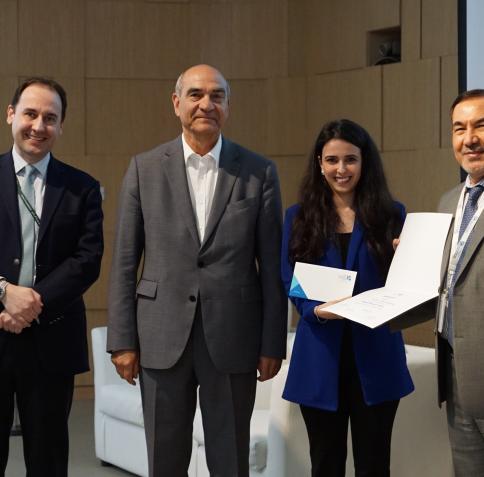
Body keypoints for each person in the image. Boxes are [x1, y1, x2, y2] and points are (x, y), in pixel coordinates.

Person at [107, 64, 287, 477]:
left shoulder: (259, 172)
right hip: (160, 338)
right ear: (176, 103)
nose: (206, 104)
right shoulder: (143, 168)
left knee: (230, 460)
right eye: (195, 95)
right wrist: (122, 340)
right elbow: (124, 262)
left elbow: (272, 265)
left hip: (234, 338)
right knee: (165, 459)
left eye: (217, 96)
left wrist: (271, 343)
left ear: (228, 105)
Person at [281, 119, 414, 477]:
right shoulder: (298, 218)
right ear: (320, 165)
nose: (342, 169)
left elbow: (405, 283)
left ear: (364, 162)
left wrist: (409, 259)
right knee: (325, 464)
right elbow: (287, 277)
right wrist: (316, 310)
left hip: (376, 358)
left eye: (350, 160)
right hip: (320, 358)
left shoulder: (392, 215)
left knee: (374, 465)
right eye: (332, 160)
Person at [0, 77, 104, 476]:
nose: (38, 125)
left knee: (47, 460)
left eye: (50, 117)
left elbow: (87, 259)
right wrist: (5, 293)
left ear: (61, 126)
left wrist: (31, 303)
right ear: (11, 115)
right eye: (30, 113)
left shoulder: (82, 188)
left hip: (51, 339)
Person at [392, 89, 484, 476]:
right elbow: (448, 284)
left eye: (480, 126)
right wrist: (410, 264)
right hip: (455, 372)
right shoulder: (450, 200)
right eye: (458, 128)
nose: (469, 138)